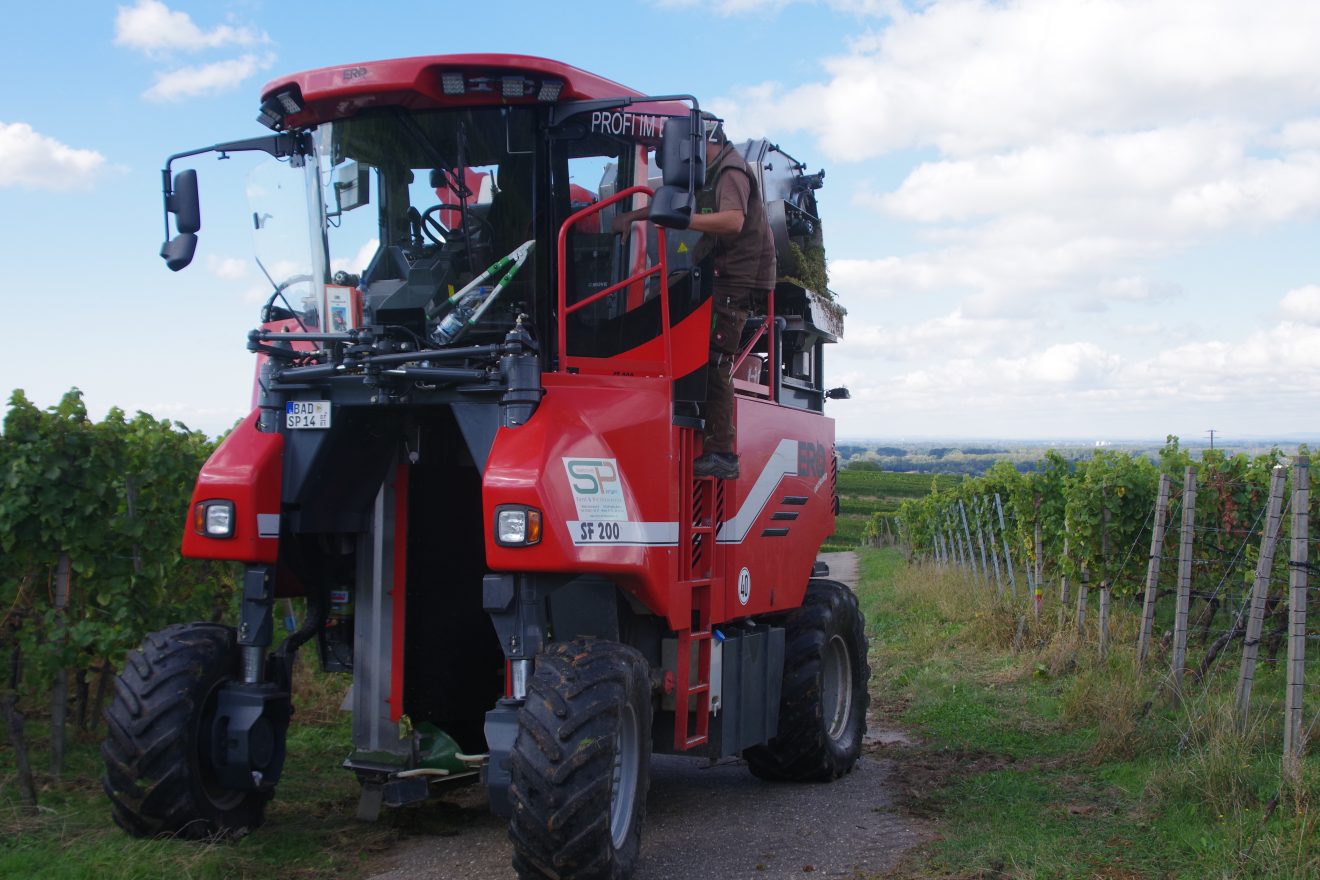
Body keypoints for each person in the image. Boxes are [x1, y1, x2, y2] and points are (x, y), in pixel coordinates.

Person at [611, 114, 776, 480]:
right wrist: (633, 217)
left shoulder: (731, 171)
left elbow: (732, 221)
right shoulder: (707, 171)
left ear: (702, 143)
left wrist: (684, 222)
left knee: (716, 357)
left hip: (737, 277)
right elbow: (673, 203)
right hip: (716, 271)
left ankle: (722, 455)